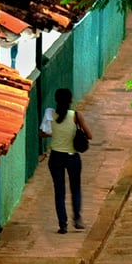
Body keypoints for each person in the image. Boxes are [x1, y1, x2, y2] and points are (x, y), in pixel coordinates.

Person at [41, 88, 91, 232]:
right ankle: (77, 217)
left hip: (56, 157)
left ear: (56, 100)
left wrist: (57, 134)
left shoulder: (50, 115)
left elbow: (43, 133)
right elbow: (89, 135)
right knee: (75, 188)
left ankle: (63, 224)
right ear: (70, 101)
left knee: (59, 191)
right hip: (73, 157)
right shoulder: (76, 116)